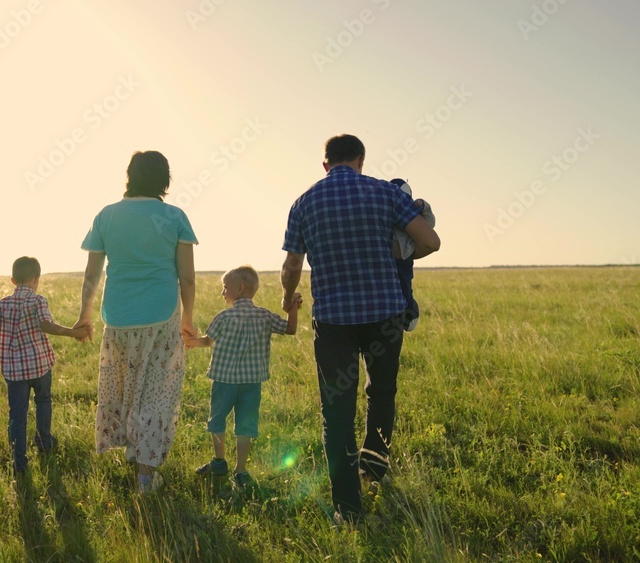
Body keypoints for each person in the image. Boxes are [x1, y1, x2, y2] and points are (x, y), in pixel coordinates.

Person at [280, 135, 440, 522]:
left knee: (335, 410)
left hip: (333, 320)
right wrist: (398, 254)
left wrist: (288, 296)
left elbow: (291, 267)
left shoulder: (304, 202)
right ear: (361, 160)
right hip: (385, 315)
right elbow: (431, 242)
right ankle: (374, 468)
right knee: (381, 391)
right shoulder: (386, 194)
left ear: (325, 165)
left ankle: (347, 508)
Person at [75, 150, 198, 494]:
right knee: (155, 395)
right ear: (164, 179)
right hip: (161, 316)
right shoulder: (174, 216)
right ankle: (146, 474)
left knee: (126, 390)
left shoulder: (106, 215)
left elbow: (91, 274)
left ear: (130, 176)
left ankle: (134, 456)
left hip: (118, 316)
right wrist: (188, 318)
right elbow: (187, 278)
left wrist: (84, 317)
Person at [184, 266, 301, 488]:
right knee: (245, 425)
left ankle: (219, 462)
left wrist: (189, 341)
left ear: (239, 288)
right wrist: (293, 307)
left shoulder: (224, 316)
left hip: (224, 381)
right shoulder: (265, 316)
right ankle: (240, 471)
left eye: (225, 287)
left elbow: (208, 341)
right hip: (252, 383)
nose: (222, 292)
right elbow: (291, 329)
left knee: (217, 420)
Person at [0, 257, 90, 474]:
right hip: (39, 366)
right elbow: (46, 325)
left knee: (17, 414)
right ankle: (44, 441)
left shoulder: (3, 303)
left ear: (12, 280)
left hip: (14, 371)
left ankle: (19, 462)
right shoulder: (39, 301)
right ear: (36, 279)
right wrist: (73, 332)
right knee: (43, 401)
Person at [388, 178, 436, 332]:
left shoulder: (412, 212)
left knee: (405, 289)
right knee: (392, 291)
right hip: (388, 262)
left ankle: (410, 316)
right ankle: (397, 317)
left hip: (404, 260)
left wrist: (424, 206)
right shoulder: (386, 212)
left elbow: (430, 224)